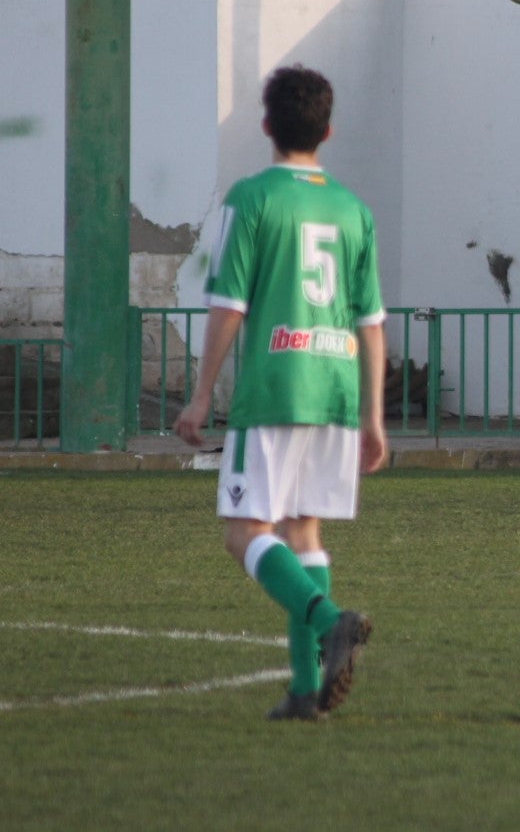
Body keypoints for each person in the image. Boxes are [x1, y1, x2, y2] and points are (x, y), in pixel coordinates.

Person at [174, 65, 389, 722]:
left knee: (244, 533)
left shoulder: (253, 196)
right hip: (335, 390)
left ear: (266, 125)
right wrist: (374, 417)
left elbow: (229, 301)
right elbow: (371, 321)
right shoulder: (353, 207)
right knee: (303, 530)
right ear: (328, 129)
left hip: (274, 386)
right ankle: (304, 692)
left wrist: (201, 393)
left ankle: (329, 622)